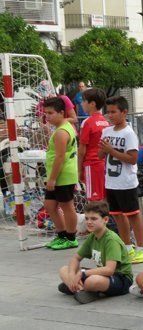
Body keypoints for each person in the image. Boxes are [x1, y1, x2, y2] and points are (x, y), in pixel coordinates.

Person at [99, 95, 143, 264]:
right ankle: (126, 247)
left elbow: (132, 158)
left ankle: (142, 248)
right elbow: (100, 155)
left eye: (114, 112)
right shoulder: (106, 131)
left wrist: (111, 150)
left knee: (133, 215)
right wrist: (103, 149)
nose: (110, 115)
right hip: (111, 181)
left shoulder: (129, 133)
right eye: (108, 112)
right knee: (118, 216)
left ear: (124, 112)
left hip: (126, 181)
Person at [57, 201, 133, 303]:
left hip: (120, 278)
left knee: (91, 281)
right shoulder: (93, 236)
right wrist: (71, 275)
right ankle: (80, 289)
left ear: (105, 219)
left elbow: (110, 270)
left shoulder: (111, 240)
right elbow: (76, 258)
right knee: (64, 269)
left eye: (94, 219)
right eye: (87, 218)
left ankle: (77, 288)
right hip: (104, 275)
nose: (89, 222)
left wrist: (83, 274)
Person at [42, 97, 79, 250]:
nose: (47, 117)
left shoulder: (62, 132)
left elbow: (60, 157)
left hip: (63, 176)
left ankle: (71, 237)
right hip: (57, 175)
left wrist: (52, 179)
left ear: (62, 113)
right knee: (50, 205)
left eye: (51, 113)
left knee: (66, 206)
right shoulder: (60, 128)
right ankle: (61, 234)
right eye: (46, 113)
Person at [77, 88, 109, 202]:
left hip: (92, 164)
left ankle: (99, 219)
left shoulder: (87, 122)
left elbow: (82, 149)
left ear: (92, 104)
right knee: (103, 197)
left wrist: (79, 169)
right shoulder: (105, 121)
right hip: (104, 163)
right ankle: (105, 218)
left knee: (93, 200)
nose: (81, 103)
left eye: (83, 101)